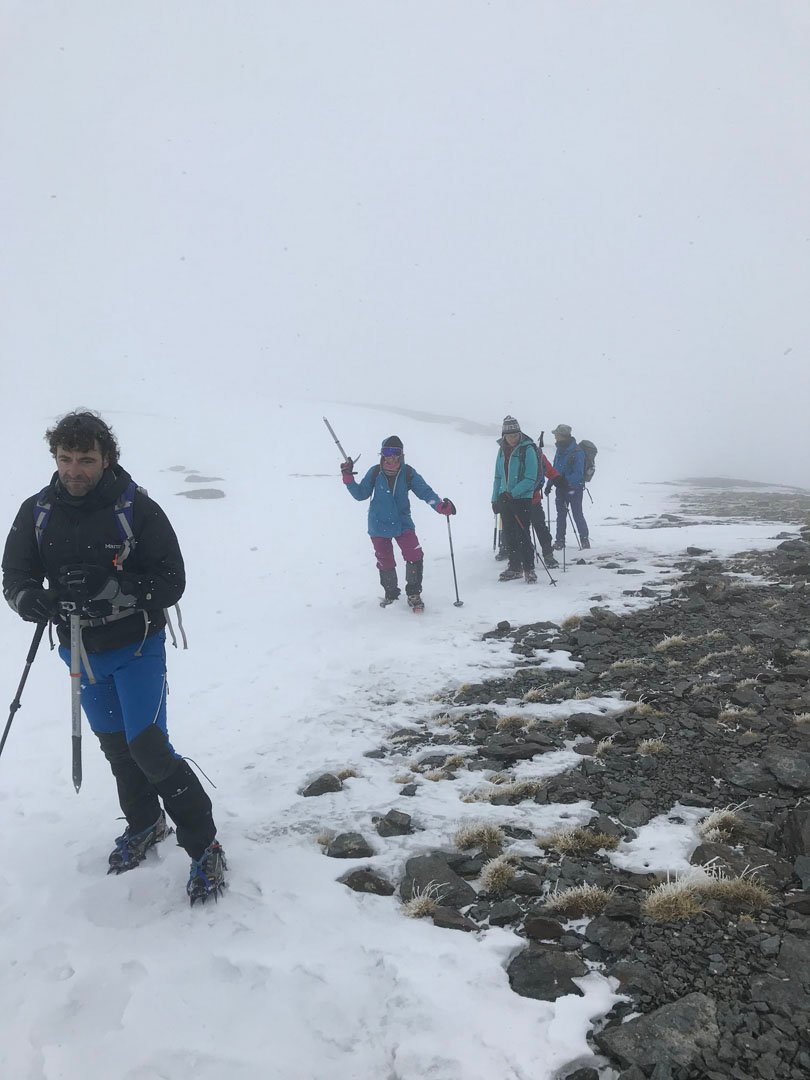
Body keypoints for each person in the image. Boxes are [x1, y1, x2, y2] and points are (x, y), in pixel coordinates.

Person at [2, 410, 226, 905]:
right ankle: (146, 822)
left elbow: (172, 580)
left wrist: (115, 589)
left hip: (137, 647)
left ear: (107, 459)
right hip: (79, 651)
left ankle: (203, 843)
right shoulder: (37, 511)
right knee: (115, 746)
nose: (75, 470)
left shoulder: (136, 509)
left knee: (148, 746)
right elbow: (14, 572)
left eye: (86, 459)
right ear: (55, 458)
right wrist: (29, 600)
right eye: (66, 459)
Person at [341, 435, 455, 611]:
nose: (391, 456)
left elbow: (425, 491)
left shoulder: (408, 473)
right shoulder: (374, 472)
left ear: (401, 454)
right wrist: (348, 478)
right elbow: (360, 494)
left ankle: (414, 593)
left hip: (402, 523)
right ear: (382, 454)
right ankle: (391, 594)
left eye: (396, 452)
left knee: (414, 555)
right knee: (385, 560)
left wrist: (440, 506)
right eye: (387, 452)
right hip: (378, 524)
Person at [491, 416, 539, 583]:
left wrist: (513, 493)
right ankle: (514, 567)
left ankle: (529, 568)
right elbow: (498, 476)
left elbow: (531, 478)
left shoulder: (528, 449)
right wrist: (495, 498)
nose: (513, 438)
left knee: (523, 534)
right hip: (505, 499)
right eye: (509, 435)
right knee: (509, 535)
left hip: (522, 499)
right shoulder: (501, 450)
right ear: (504, 435)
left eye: (515, 435)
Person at [547, 423, 590, 550]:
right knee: (561, 514)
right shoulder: (560, 450)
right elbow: (555, 469)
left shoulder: (577, 452)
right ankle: (560, 541)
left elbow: (578, 474)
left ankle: (584, 540)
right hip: (561, 488)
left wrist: (564, 481)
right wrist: (550, 483)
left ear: (563, 435)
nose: (555, 436)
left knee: (577, 514)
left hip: (574, 489)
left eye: (556, 434)